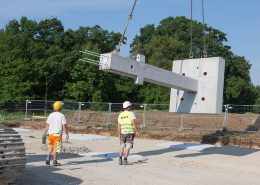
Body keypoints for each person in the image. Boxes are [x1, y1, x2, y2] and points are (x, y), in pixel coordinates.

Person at [43, 101, 69, 166]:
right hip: (58, 135)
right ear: (60, 107)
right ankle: (55, 161)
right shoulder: (62, 115)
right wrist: (66, 134)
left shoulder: (51, 115)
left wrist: (44, 133)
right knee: (56, 148)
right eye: (61, 106)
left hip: (50, 134)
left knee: (51, 146)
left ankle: (48, 156)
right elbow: (64, 126)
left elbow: (47, 126)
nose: (62, 107)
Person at [118, 101, 140, 165]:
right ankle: (125, 160)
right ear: (128, 107)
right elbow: (133, 123)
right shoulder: (131, 113)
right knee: (127, 146)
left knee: (122, 146)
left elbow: (119, 125)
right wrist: (137, 131)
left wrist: (119, 133)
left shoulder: (120, 114)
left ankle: (120, 159)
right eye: (130, 106)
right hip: (130, 133)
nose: (130, 107)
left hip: (122, 133)